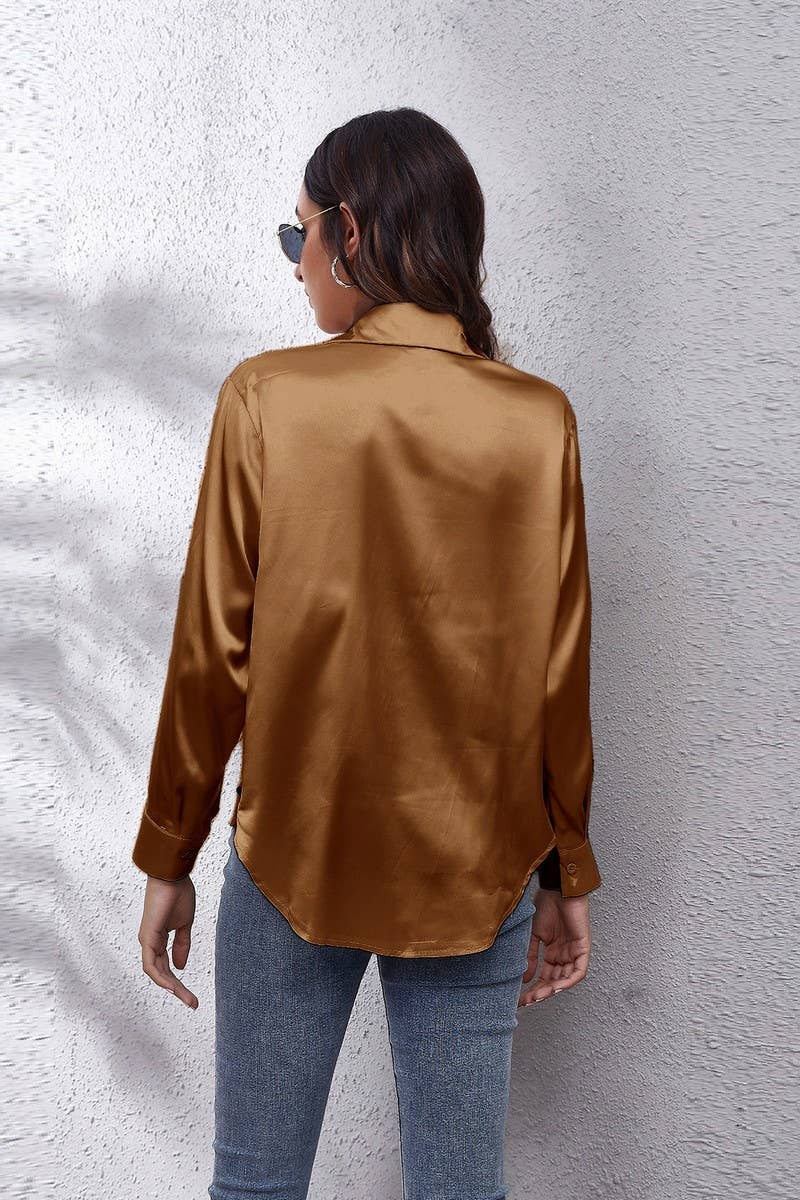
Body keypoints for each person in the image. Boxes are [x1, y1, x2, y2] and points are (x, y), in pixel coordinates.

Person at [132, 107, 602, 1200]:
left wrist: (168, 854)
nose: (295, 265)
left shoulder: (267, 396)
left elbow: (211, 657)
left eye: (296, 235)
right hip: (479, 864)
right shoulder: (538, 419)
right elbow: (558, 674)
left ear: (350, 232)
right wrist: (564, 869)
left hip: (293, 850)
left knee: (255, 1186)